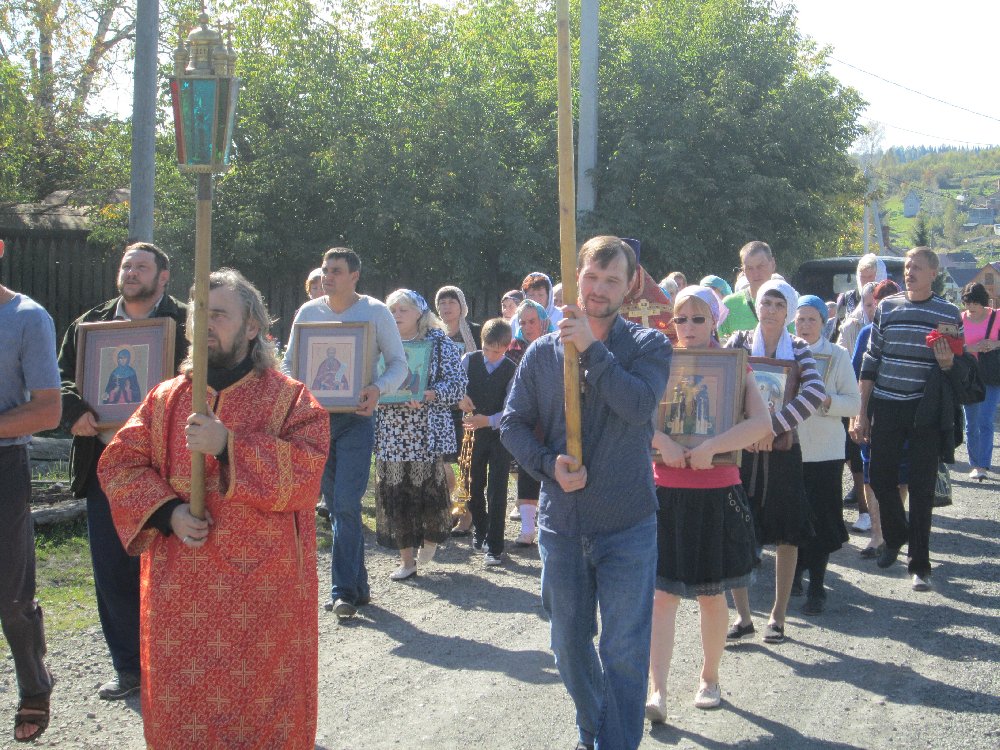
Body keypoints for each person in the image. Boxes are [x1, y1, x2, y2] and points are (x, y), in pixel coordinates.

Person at [98, 269, 329, 749]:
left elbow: (307, 472)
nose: (204, 324)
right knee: (185, 712)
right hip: (181, 589)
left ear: (252, 326)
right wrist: (168, 513)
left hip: (263, 594)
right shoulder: (165, 400)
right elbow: (119, 465)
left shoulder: (290, 399)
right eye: (198, 314)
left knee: (264, 711)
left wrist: (228, 446)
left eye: (219, 314)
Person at [501, 236, 672, 750]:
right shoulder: (541, 353)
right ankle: (596, 726)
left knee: (623, 651)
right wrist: (547, 464)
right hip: (563, 525)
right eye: (591, 278)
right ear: (576, 278)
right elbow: (512, 424)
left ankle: (612, 743)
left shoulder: (648, 346)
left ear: (630, 285)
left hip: (627, 525)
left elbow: (638, 406)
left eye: (612, 280)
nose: (599, 289)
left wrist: (592, 351)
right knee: (569, 647)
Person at [57, 240, 188, 700]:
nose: (131, 272)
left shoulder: (186, 324)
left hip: (169, 466)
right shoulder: (89, 326)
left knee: (172, 566)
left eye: (142, 266)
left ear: (163, 277)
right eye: (127, 265)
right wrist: (73, 409)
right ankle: (129, 668)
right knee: (112, 569)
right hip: (105, 464)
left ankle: (176, 664)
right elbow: (60, 377)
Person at [645, 287, 770, 721]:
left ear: (715, 321)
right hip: (665, 490)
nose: (689, 327)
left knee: (712, 595)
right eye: (681, 319)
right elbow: (634, 415)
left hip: (716, 490)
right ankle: (657, 690)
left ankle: (709, 678)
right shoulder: (658, 361)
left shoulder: (733, 365)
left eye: (698, 319)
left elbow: (761, 423)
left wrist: (712, 447)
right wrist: (661, 441)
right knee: (662, 596)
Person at [283, 247, 408, 618]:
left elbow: (399, 364)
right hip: (316, 423)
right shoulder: (308, 313)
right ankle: (359, 586)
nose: (327, 277)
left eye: (336, 271)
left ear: (355, 276)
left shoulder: (375, 312)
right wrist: (298, 397)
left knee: (346, 504)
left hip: (356, 419)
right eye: (325, 270)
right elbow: (288, 364)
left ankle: (342, 593)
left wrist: (377, 389)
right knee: (337, 506)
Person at [854, 247, 965, 592]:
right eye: (906, 266)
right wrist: (861, 412)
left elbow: (959, 367)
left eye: (916, 267)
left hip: (925, 411)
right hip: (887, 404)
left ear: (933, 273)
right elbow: (871, 360)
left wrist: (948, 363)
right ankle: (896, 533)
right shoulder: (887, 307)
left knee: (920, 489)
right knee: (879, 477)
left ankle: (919, 566)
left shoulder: (948, 313)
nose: (909, 272)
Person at [724, 278, 827, 645]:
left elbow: (815, 392)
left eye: (778, 305)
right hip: (743, 451)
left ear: (788, 312)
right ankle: (743, 616)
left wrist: (772, 427)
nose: (770, 310)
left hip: (782, 451)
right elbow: (724, 385)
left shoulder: (798, 349)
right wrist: (747, 429)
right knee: (735, 530)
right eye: (765, 303)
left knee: (787, 533)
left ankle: (778, 617)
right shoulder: (737, 342)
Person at [0, 241, 61, 743]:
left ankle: (34, 685)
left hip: (4, 464)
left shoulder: (27, 318)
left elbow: (48, 410)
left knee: (11, 591)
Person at [375, 290, 466, 580]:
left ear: (420, 313)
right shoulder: (379, 343)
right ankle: (407, 561)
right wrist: (376, 395)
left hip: (426, 432)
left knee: (429, 492)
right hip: (391, 431)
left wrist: (430, 394)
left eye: (403, 309)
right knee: (396, 494)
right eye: (392, 310)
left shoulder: (439, 343)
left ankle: (430, 538)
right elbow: (366, 380)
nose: (396, 315)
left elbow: (457, 385)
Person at [792, 296, 860, 615]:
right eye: (800, 319)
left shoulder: (838, 355)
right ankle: (793, 574)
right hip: (790, 449)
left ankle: (817, 588)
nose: (805, 325)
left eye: (811, 319)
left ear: (823, 322)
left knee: (821, 519)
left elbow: (854, 403)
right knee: (792, 518)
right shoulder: (784, 353)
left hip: (825, 452)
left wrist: (828, 400)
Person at [457, 318, 517, 567]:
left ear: (506, 347)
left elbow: (511, 408)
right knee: (472, 485)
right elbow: (456, 387)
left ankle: (495, 545)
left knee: (497, 489)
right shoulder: (468, 360)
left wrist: (489, 420)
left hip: (498, 436)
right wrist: (460, 398)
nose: (491, 356)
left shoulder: (512, 369)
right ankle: (481, 528)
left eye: (497, 352)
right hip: (472, 434)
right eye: (487, 349)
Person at [850, 279, 900, 559]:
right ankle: (877, 534)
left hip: (903, 414)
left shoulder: (910, 332)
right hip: (871, 413)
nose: (876, 310)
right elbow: (856, 374)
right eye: (873, 305)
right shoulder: (866, 333)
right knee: (870, 472)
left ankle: (893, 529)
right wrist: (857, 415)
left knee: (900, 474)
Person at [503, 298, 556, 541]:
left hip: (555, 415)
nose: (527, 327)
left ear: (543, 321)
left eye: (532, 321)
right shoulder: (513, 350)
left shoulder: (558, 345)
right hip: (526, 415)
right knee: (528, 465)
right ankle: (527, 528)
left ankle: (550, 522)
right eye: (522, 322)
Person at [959, 282, 1000, 481]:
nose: (971, 307)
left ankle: (982, 465)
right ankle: (974, 464)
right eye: (968, 303)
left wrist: (994, 344)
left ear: (983, 302)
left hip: (991, 375)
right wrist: (973, 348)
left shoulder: (996, 316)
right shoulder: (960, 319)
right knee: (971, 423)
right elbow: (954, 347)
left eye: (975, 303)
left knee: (985, 419)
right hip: (968, 376)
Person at [718, 241, 788, 338]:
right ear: (743, 270)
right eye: (749, 268)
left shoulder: (789, 302)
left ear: (772, 264)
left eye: (760, 266)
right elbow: (718, 344)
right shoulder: (728, 306)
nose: (755, 274)